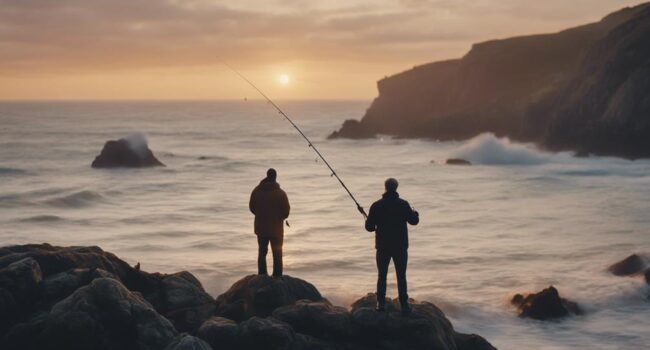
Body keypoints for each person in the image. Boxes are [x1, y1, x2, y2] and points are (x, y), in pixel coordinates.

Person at [365, 178, 419, 314]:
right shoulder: (403, 204)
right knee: (401, 276)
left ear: (385, 187)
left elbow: (369, 227)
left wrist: (367, 219)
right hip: (400, 246)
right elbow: (414, 221)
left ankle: (380, 304)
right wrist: (416, 213)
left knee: (381, 276)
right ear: (396, 188)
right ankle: (404, 305)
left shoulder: (376, 205)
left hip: (383, 247)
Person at [249, 168, 290, 277]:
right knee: (277, 254)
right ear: (275, 177)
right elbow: (286, 212)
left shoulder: (256, 191)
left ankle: (262, 275)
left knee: (262, 253)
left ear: (267, 176)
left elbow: (252, 208)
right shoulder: (281, 194)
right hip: (276, 229)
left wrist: (261, 215)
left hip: (261, 228)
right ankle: (277, 276)